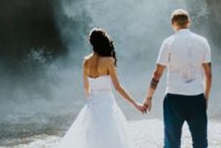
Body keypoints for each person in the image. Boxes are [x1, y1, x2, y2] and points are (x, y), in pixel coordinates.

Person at [58, 28, 145, 148]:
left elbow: (86, 87)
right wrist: (135, 104)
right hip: (107, 105)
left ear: (91, 43)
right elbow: (117, 87)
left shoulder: (86, 61)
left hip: (92, 105)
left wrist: (92, 102)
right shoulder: (109, 60)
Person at [143, 9, 212, 148]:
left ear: (172, 23)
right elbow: (208, 74)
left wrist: (149, 98)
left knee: (172, 143)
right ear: (188, 22)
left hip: (174, 98)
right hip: (196, 97)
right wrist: (205, 97)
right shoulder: (202, 41)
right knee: (200, 142)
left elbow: (157, 74)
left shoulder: (168, 43)